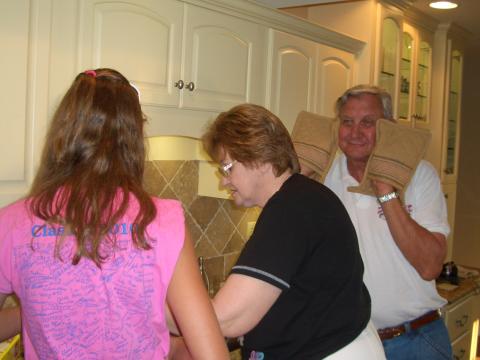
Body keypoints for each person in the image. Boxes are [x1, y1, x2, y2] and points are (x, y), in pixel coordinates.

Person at [0, 68, 229, 359]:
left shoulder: (11, 223)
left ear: (63, 133)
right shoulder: (163, 221)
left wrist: (35, 308)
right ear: (134, 138)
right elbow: (212, 354)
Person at [201, 103, 385, 359]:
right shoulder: (303, 198)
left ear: (260, 159)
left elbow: (227, 319)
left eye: (227, 168)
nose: (223, 181)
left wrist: (156, 309)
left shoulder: (291, 209)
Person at [320, 84, 451, 359]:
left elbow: (430, 266)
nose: (355, 132)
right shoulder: (323, 180)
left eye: (368, 122)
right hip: (353, 344)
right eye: (347, 122)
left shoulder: (420, 175)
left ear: (390, 127)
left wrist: (386, 190)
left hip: (416, 340)